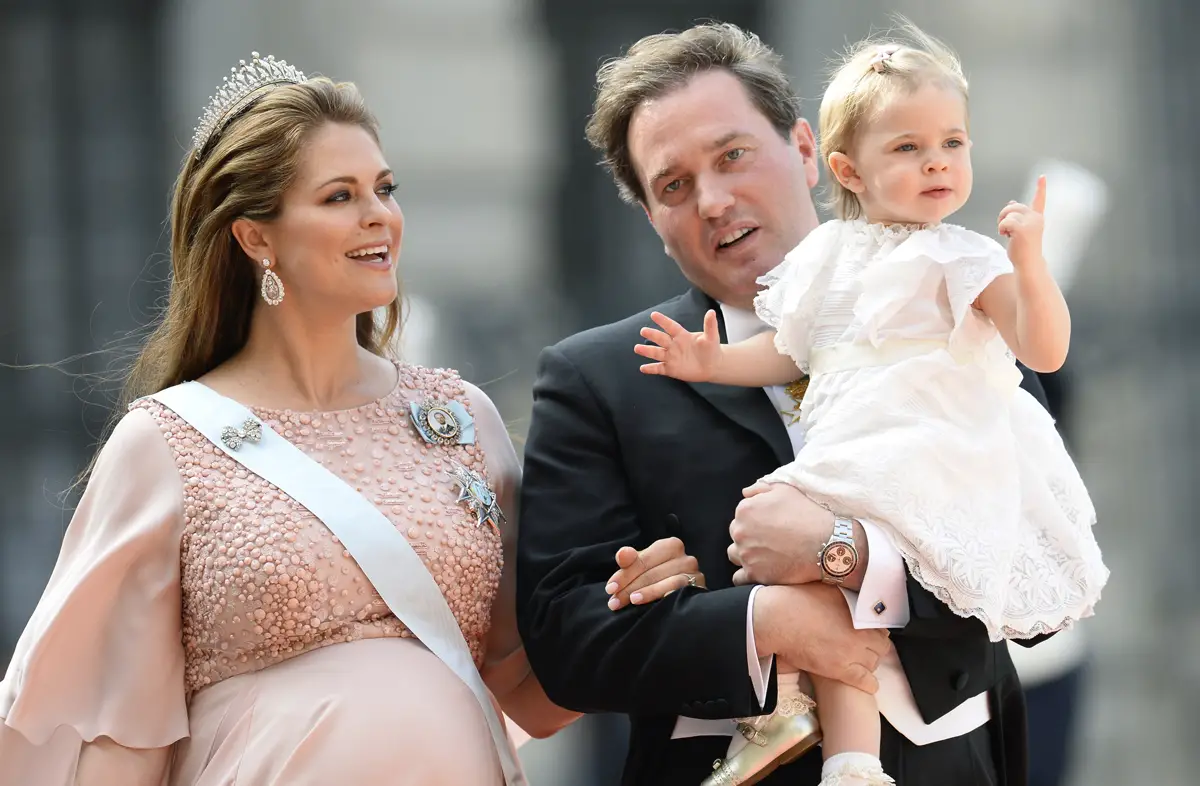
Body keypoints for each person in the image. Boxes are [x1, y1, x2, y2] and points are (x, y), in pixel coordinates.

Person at [0, 53, 701, 786]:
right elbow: (122, 739)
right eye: (338, 196)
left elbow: (530, 690)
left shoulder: (463, 419)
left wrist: (623, 610)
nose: (379, 215)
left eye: (384, 189)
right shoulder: (167, 443)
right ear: (255, 238)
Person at [516, 21, 1072, 786]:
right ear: (651, 215)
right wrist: (746, 620)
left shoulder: (955, 312)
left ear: (809, 151)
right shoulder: (600, 378)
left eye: (733, 155)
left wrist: (848, 558)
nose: (713, 200)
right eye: (674, 186)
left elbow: (1031, 570)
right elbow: (566, 646)